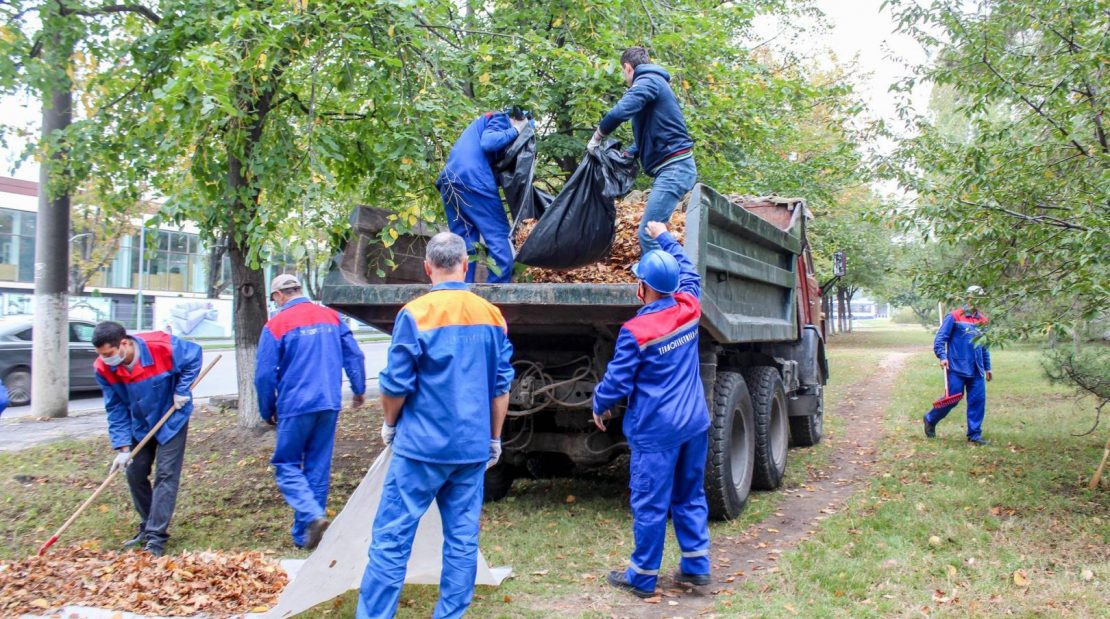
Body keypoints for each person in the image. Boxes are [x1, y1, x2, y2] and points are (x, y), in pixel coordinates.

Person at [357, 232, 514, 619]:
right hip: (470, 448)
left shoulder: (415, 313)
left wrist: (390, 425)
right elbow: (500, 387)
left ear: (428, 268)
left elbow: (394, 385)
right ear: (466, 266)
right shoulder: (492, 315)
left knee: (392, 539)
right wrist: (493, 438)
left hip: (420, 449)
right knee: (462, 541)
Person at [592, 221, 711, 598]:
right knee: (690, 495)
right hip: (694, 424)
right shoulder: (689, 307)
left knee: (650, 502)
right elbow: (689, 272)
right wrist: (666, 238)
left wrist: (600, 404)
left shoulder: (635, 331)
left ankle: (642, 577)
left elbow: (617, 381)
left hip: (656, 433)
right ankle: (695, 566)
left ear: (641, 287)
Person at [255, 274, 367, 550]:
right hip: (328, 403)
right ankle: (305, 535)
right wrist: (359, 388)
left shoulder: (276, 324)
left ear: (279, 295)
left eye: (274, 299)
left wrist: (266, 408)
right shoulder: (330, 317)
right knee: (317, 466)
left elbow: (264, 375)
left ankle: (312, 515)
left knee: (286, 465)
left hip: (295, 405)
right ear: (299, 290)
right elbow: (354, 354)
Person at [92, 321, 203, 556]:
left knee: (166, 474)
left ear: (124, 343)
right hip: (139, 423)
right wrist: (123, 448)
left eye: (109, 354)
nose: (105, 360)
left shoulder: (161, 346)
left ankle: (155, 536)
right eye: (101, 355)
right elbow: (115, 407)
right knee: (135, 472)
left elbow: (195, 355)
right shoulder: (103, 368)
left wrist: (182, 390)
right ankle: (148, 524)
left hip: (171, 419)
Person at [588, 46, 697, 254]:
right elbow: (656, 131)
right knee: (655, 232)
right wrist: (630, 152)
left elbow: (621, 111)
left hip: (675, 168)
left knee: (649, 233)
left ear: (628, 68)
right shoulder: (657, 84)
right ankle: (666, 279)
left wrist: (597, 137)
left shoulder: (648, 82)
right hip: (675, 167)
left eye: (623, 72)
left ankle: (665, 284)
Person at [437, 109, 530, 283]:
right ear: (516, 118)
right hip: (472, 178)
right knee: (499, 236)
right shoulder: (500, 119)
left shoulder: (479, 125)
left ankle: (460, 292)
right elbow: (489, 143)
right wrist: (518, 129)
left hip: (449, 181)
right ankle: (497, 294)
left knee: (464, 244)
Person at [924, 286, 993, 445]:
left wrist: (987, 367)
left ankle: (974, 435)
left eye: (980, 298)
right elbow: (940, 339)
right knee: (952, 399)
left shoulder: (983, 320)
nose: (976, 301)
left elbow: (984, 346)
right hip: (956, 367)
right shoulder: (954, 316)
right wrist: (942, 356)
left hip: (977, 369)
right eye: (974, 297)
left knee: (978, 400)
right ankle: (930, 419)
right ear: (968, 298)